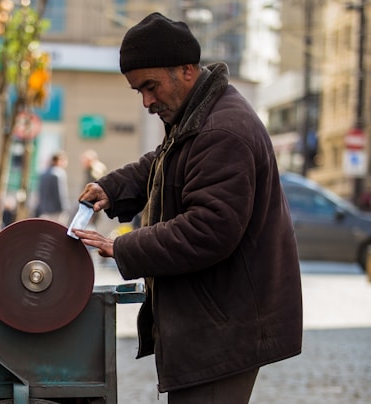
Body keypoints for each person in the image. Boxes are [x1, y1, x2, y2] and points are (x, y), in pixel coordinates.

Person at [72, 13, 303, 403]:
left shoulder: (222, 130)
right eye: (137, 91)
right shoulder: (198, 116)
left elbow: (209, 229)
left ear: (187, 70)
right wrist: (113, 188)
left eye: (151, 86)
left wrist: (124, 246)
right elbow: (165, 162)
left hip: (224, 327)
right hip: (213, 321)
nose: (146, 101)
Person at [36, 151, 70, 225]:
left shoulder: (43, 174)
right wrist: (65, 209)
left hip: (44, 210)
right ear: (59, 161)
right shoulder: (59, 173)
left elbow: (40, 192)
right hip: (57, 211)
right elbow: (60, 194)